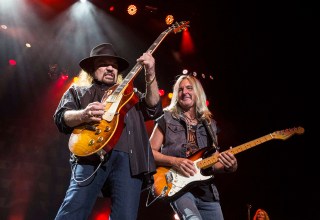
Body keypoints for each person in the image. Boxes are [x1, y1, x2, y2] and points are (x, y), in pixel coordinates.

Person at [53, 43, 163, 220]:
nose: (111, 68)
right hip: (91, 155)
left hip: (130, 162)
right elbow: (61, 118)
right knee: (73, 209)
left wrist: (150, 72)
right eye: (104, 63)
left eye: (114, 65)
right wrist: (83, 114)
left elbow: (153, 108)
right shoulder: (79, 91)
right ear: (91, 69)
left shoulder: (131, 95)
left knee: (125, 217)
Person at [149, 75, 238, 220]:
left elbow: (215, 163)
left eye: (189, 88)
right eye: (180, 89)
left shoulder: (210, 125)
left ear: (198, 92)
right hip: (180, 189)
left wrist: (230, 165)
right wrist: (175, 161)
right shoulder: (166, 118)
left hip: (207, 192)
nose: (184, 92)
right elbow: (148, 153)